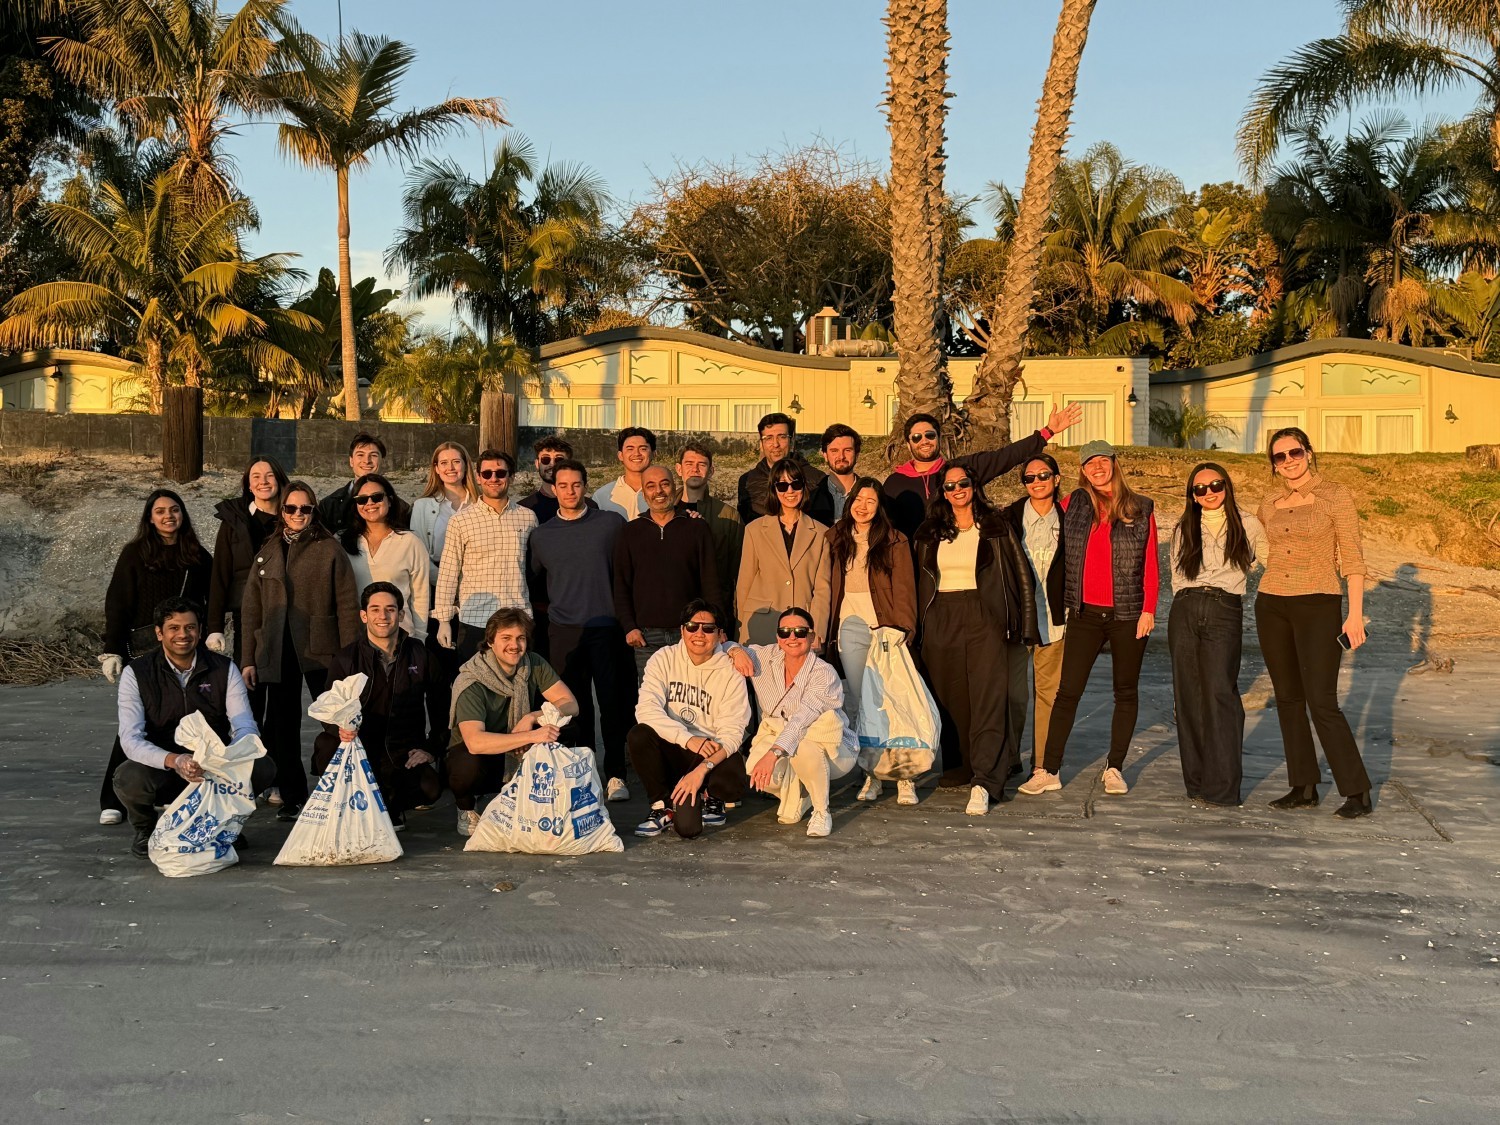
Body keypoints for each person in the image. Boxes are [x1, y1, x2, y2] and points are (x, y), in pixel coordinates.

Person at [1020, 441, 1157, 799]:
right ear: (1082, 470)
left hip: (1128, 614)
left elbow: (1151, 563)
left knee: (1125, 692)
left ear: (1114, 463)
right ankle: (1049, 770)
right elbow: (1039, 503)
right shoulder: (1076, 503)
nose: (1097, 467)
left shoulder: (1140, 507)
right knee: (1068, 692)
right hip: (1084, 613)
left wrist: (1149, 610)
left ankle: (1114, 767)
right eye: (1089, 463)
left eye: (1102, 460)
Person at [1255, 427, 1374, 819]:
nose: (1289, 461)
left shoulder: (1335, 495)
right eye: (1280, 456)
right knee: (1288, 698)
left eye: (1294, 452)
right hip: (1272, 603)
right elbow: (1256, 546)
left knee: (1322, 700)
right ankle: (1302, 786)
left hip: (1319, 601)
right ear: (1273, 464)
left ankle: (1356, 790)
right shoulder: (1269, 502)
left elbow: (1353, 559)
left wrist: (1354, 615)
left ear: (1309, 452)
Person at [914, 464, 1037, 816]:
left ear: (974, 486)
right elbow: (920, 581)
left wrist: (1025, 625)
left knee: (988, 696)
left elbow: (1021, 575)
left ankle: (986, 780)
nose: (957, 489)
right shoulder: (930, 531)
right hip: (941, 616)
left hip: (985, 614)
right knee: (951, 695)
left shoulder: (995, 525)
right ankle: (961, 767)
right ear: (942, 491)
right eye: (949, 485)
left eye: (963, 483)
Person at [111, 596, 273, 858]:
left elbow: (244, 725)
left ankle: (225, 823)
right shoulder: (137, 673)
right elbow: (130, 739)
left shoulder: (224, 668)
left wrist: (226, 758)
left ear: (200, 631)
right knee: (128, 777)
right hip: (165, 763)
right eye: (174, 628)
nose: (183, 635)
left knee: (262, 766)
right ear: (159, 633)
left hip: (215, 764)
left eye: (190, 627)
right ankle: (146, 829)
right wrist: (175, 760)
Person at [240, 481, 361, 820]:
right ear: (282, 512)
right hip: (276, 650)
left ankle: (340, 789)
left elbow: (348, 605)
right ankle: (292, 796)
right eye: (290, 508)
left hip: (321, 649)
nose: (297, 514)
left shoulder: (329, 549)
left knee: (335, 721)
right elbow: (251, 609)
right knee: (282, 726)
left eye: (304, 509)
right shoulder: (268, 549)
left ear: (313, 512)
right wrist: (248, 658)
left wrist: (349, 657)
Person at [97, 489, 213, 826]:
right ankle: (113, 800)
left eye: (174, 510)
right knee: (137, 725)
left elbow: (213, 596)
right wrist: (113, 649)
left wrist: (216, 629)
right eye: (160, 511)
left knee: (185, 720)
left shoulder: (197, 555)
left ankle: (172, 794)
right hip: (146, 649)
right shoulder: (135, 554)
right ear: (150, 517)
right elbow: (117, 603)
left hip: (186, 647)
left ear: (183, 515)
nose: (168, 516)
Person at [527, 460, 634, 803]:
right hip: (564, 630)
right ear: (553, 488)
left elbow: (627, 570)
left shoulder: (611, 524)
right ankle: (585, 772)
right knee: (574, 707)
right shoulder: (542, 535)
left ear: (585, 486)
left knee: (612, 704)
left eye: (576, 484)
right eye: (563, 485)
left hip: (606, 626)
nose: (570, 491)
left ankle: (616, 774)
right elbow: (536, 581)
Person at [1169, 463, 1267, 807]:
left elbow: (1269, 562)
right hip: (1185, 608)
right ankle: (1196, 782)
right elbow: (1177, 575)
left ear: (1226, 485)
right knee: (1188, 697)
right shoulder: (1185, 527)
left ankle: (1223, 788)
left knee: (1220, 694)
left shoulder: (1248, 523)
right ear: (1192, 496)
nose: (1209, 493)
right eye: (1200, 489)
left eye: (1216, 485)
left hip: (1225, 608)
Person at [311, 583, 443, 831]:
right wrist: (338, 729)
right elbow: (327, 706)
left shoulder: (421, 656)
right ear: (364, 615)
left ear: (401, 615)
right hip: (359, 748)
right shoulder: (346, 658)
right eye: (375, 610)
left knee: (430, 788)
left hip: (401, 751)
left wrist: (430, 749)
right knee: (328, 748)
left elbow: (442, 709)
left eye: (390, 609)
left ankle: (390, 803)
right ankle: (349, 804)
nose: (383, 617)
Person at [446, 607, 579, 837]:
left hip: (516, 750)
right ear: (490, 641)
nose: (514, 645)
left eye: (520, 638)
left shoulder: (532, 663)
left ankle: (529, 797)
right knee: (466, 765)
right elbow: (476, 742)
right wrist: (530, 736)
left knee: (567, 726)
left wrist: (532, 717)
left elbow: (570, 704)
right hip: (480, 756)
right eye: (506, 638)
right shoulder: (471, 680)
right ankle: (466, 807)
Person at [726, 607, 858, 837]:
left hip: (833, 749)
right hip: (781, 736)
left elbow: (801, 720)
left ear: (811, 636)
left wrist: (773, 753)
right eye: (785, 632)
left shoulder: (823, 673)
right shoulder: (765, 657)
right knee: (755, 769)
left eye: (799, 631)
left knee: (804, 747)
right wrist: (736, 651)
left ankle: (821, 811)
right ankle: (802, 790)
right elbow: (724, 645)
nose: (792, 637)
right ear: (778, 637)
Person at [826, 477, 918, 805]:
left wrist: (905, 628)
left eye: (871, 501)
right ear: (849, 501)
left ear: (879, 507)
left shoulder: (894, 540)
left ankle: (904, 776)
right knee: (861, 702)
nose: (863, 506)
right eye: (858, 499)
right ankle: (872, 774)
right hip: (848, 628)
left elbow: (906, 587)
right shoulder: (834, 536)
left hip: (885, 627)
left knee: (892, 700)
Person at [628, 600, 752, 839]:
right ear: (682, 630)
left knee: (731, 772)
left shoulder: (730, 669)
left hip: (709, 753)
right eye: (692, 626)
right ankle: (661, 806)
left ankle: (711, 796)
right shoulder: (663, 658)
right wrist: (687, 739)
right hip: (678, 747)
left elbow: (733, 733)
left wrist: (701, 770)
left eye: (708, 628)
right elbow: (646, 710)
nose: (699, 634)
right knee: (639, 734)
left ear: (719, 634)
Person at [882, 404, 1083, 539]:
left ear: (938, 438)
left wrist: (1047, 432)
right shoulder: (894, 483)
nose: (924, 441)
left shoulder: (962, 471)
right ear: (909, 445)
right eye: (916, 437)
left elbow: (1006, 456)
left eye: (929, 435)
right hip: (911, 565)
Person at [615, 465, 722, 680]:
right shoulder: (629, 532)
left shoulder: (697, 529)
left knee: (691, 698)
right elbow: (621, 585)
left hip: (692, 632)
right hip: (646, 636)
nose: (659, 491)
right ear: (644, 494)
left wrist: (716, 625)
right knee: (651, 702)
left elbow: (710, 582)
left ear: (674, 487)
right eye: (651, 486)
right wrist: (629, 627)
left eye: (664, 484)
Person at [432, 449, 538, 665]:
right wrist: (443, 620)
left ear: (511, 476)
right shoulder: (461, 521)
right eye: (487, 474)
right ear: (478, 477)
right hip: (475, 619)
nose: (494, 479)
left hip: (518, 618)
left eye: (500, 473)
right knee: (474, 689)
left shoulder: (528, 518)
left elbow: (532, 568)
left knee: (518, 688)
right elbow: (448, 572)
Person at [1002, 454, 1069, 780]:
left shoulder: (1071, 518)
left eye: (1044, 475)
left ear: (1056, 479)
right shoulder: (1010, 518)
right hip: (1018, 622)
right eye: (1030, 478)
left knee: (1050, 695)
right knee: (1013, 694)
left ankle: (1042, 763)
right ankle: (1010, 757)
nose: (1037, 482)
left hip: (1056, 621)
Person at [736, 457, 832, 645]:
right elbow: (744, 584)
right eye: (782, 486)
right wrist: (740, 627)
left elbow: (823, 589)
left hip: (802, 629)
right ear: (773, 489)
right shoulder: (754, 530)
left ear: (803, 487)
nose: (789, 491)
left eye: (795, 484)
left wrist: (818, 630)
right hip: (761, 626)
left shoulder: (821, 533)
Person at [205, 457, 288, 667]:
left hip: (286, 613)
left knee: (285, 692)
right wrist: (214, 627)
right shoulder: (233, 521)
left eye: (270, 475)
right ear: (249, 485)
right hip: (247, 613)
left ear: (279, 480)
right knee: (249, 683)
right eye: (256, 477)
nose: (264, 481)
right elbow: (220, 575)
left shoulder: (294, 517)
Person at [340, 472, 430, 642]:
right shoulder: (341, 542)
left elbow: (421, 597)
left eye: (377, 497)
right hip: (357, 639)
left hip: (401, 637)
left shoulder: (410, 542)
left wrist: (419, 638)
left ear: (389, 500)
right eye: (362, 499)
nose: (370, 503)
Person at [675, 442, 743, 628]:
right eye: (689, 463)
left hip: (715, 609)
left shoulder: (729, 515)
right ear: (679, 469)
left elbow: (737, 569)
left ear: (711, 471)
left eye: (701, 464)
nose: (695, 469)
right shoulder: (664, 512)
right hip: (673, 607)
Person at [737, 412, 825, 525]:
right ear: (761, 443)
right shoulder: (747, 481)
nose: (775, 444)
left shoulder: (816, 478)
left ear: (791, 440)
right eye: (769, 438)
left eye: (782, 437)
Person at [409, 441, 478, 584]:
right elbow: (418, 553)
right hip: (436, 581)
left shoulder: (481, 504)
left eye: (456, 461)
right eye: (444, 463)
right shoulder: (421, 507)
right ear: (436, 468)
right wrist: (445, 583)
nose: (450, 468)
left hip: (477, 582)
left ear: (465, 465)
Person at [317, 432, 411, 533]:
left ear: (382, 461)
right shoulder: (329, 506)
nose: (367, 461)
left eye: (373, 455)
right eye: (360, 455)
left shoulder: (401, 508)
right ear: (351, 461)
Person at [592, 427, 655, 521]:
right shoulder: (602, 496)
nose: (636, 453)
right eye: (630, 449)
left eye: (643, 448)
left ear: (654, 454)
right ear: (620, 455)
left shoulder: (663, 493)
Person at [807, 423, 861, 525]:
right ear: (825, 455)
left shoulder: (873, 498)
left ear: (857, 454)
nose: (841, 456)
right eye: (834, 451)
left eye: (847, 450)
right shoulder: (810, 500)